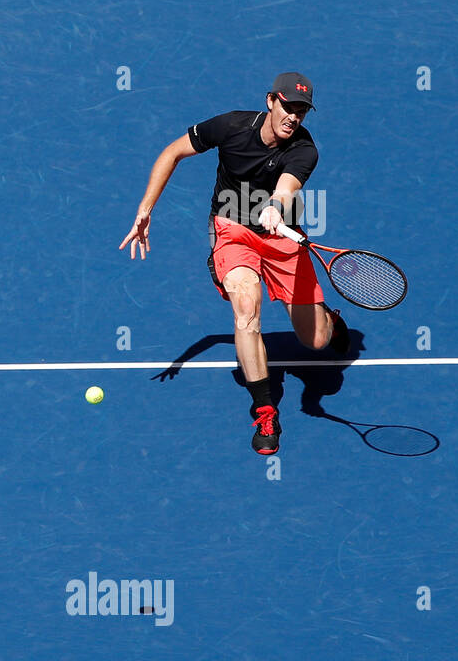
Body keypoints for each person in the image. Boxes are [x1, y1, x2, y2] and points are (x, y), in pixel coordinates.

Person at [118, 72, 348, 454]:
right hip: (232, 230)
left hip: (281, 237)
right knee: (246, 304)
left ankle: (329, 318)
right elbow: (172, 152)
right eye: (289, 107)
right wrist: (146, 208)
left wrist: (275, 207)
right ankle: (264, 409)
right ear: (271, 101)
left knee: (316, 340)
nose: (294, 117)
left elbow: (287, 186)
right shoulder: (231, 126)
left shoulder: (305, 150)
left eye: (302, 111)